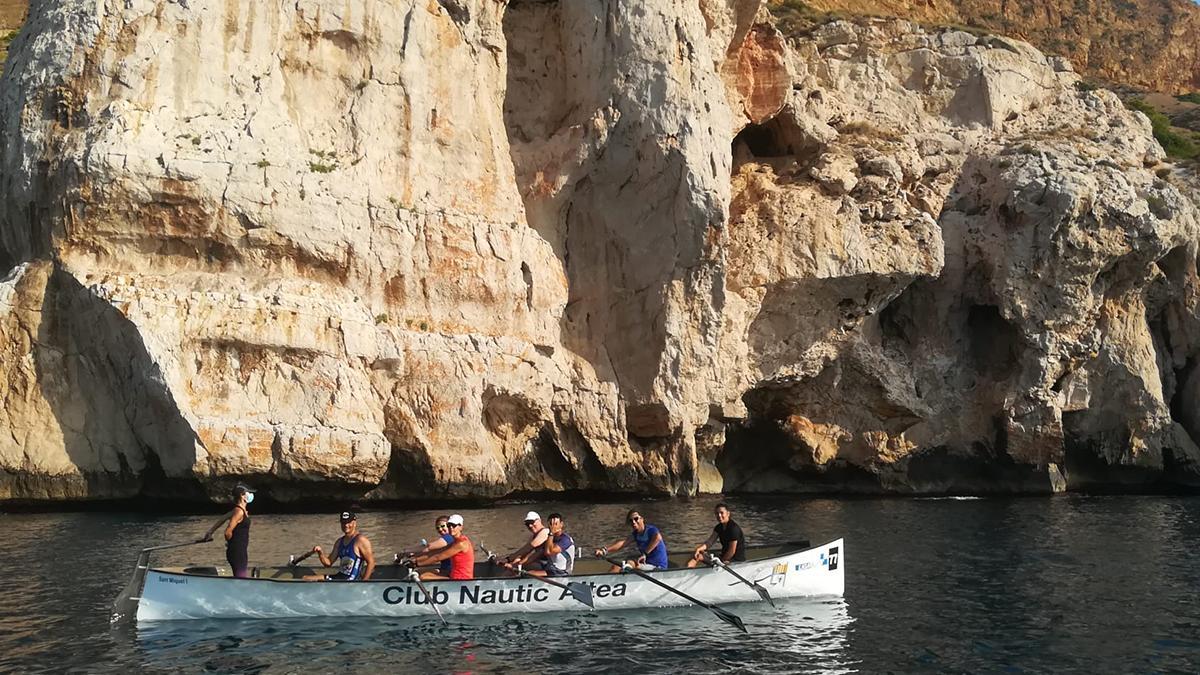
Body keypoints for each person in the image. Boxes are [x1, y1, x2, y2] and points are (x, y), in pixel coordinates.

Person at [304, 511, 376, 581]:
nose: (346, 525)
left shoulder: (361, 540)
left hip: (351, 581)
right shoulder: (339, 542)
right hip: (340, 577)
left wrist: (364, 583)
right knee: (305, 578)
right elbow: (328, 563)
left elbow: (371, 563)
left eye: (348, 522)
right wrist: (320, 553)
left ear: (354, 523)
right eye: (343, 523)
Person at [201, 484, 254, 578]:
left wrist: (210, 532)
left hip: (238, 549)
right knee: (241, 578)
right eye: (247, 493)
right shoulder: (239, 512)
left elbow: (223, 518)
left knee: (240, 576)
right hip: (237, 551)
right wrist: (230, 541)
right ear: (242, 496)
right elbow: (228, 531)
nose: (250, 495)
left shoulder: (238, 510)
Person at [594, 509, 669, 572]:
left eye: (636, 519)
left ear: (642, 519)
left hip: (658, 567)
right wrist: (604, 550)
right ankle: (604, 586)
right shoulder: (636, 534)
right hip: (646, 564)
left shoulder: (651, 530)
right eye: (631, 520)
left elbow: (657, 538)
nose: (633, 522)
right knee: (616, 567)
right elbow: (623, 543)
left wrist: (645, 554)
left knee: (630, 563)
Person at [410, 514, 474, 580]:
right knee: (425, 574)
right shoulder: (455, 542)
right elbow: (437, 552)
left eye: (454, 525)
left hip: (461, 579)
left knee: (423, 577)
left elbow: (438, 557)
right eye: (449, 525)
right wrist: (415, 560)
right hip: (453, 574)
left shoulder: (461, 543)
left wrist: (417, 564)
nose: (451, 528)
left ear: (461, 527)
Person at [688, 503, 747, 568]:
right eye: (717, 513)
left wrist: (722, 561)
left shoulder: (733, 529)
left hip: (735, 560)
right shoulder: (718, 527)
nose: (719, 515)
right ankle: (686, 572)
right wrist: (699, 549)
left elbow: (731, 551)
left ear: (728, 514)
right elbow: (709, 542)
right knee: (697, 555)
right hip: (723, 557)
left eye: (722, 513)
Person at [526, 513, 576, 577]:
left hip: (561, 572)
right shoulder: (550, 538)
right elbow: (536, 555)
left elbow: (549, 552)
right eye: (550, 524)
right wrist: (517, 564)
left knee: (528, 574)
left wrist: (551, 533)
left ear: (561, 524)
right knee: (526, 566)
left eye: (555, 524)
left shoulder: (565, 540)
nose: (553, 527)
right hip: (550, 568)